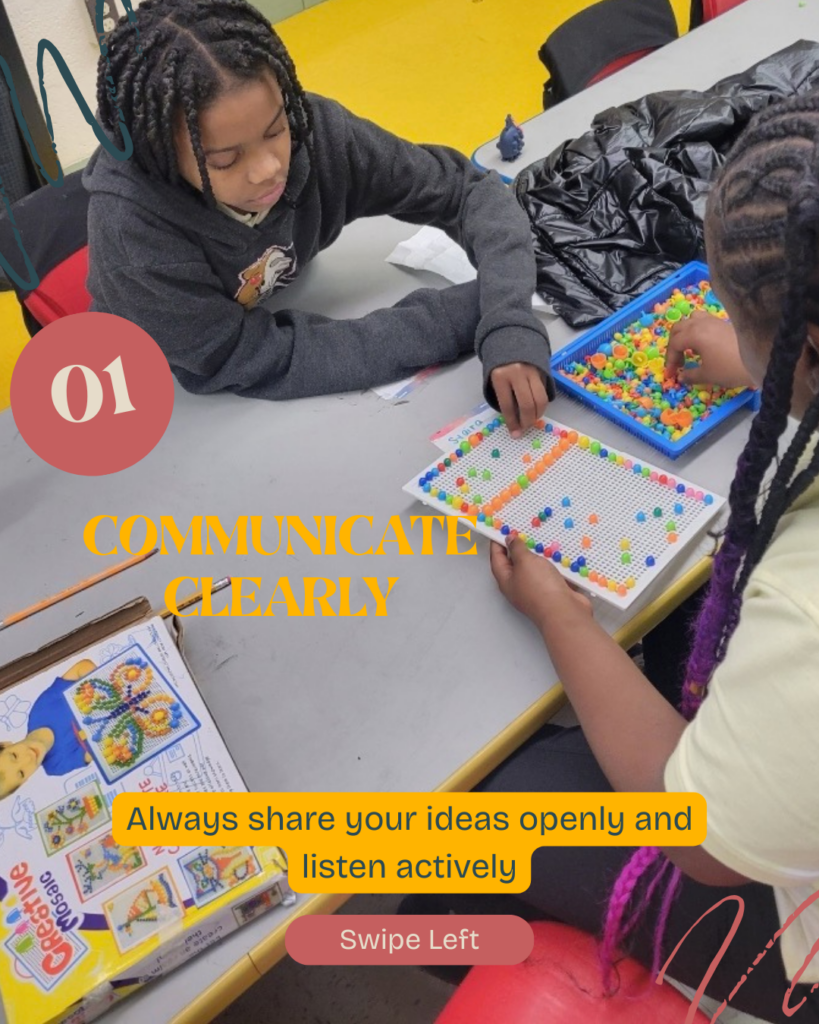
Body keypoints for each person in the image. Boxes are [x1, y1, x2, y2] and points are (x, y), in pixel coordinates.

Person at [411, 93, 819, 1023]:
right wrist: (769, 363)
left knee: (475, 816)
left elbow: (699, 839)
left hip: (781, 926)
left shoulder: (806, 607)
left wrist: (562, 620)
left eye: (742, 312)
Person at [83, 0, 554, 435]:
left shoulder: (318, 133)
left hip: (274, 301)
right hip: (152, 396)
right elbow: (240, 357)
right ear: (162, 154)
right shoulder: (134, 236)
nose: (269, 169)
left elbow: (465, 189)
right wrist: (462, 316)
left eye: (276, 129)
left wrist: (507, 318)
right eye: (225, 160)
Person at [0, 659, 96, 798]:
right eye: (21, 773)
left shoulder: (39, 711)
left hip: (120, 684)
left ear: (6, 744)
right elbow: (98, 751)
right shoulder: (56, 766)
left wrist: (101, 686)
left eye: (14, 755)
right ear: (25, 782)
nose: (28, 758)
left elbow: (82, 667)